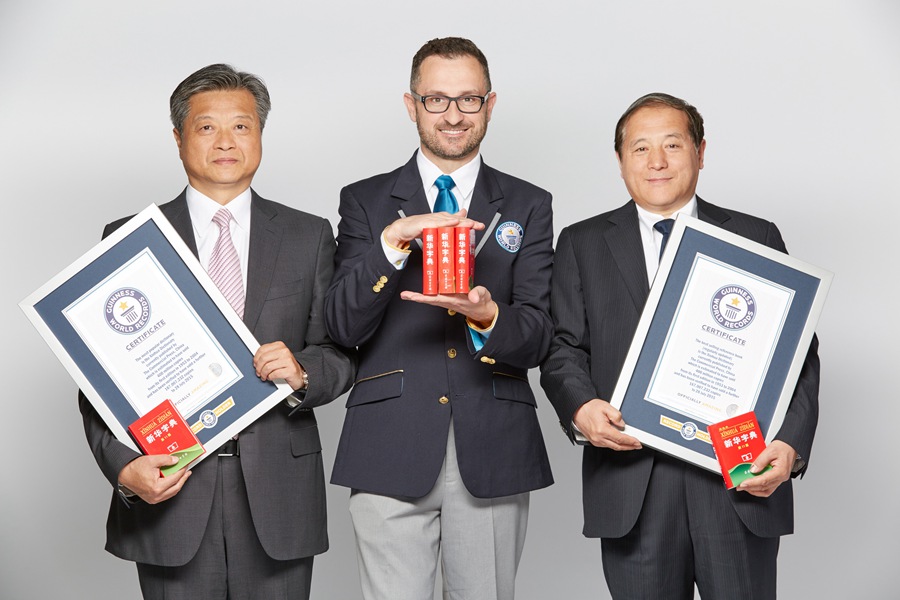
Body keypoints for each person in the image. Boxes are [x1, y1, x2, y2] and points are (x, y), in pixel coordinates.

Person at [78, 63, 355, 600]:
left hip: (278, 492)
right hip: (170, 489)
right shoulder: (131, 238)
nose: (226, 141)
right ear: (178, 137)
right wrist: (123, 467)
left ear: (260, 135)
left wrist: (302, 373)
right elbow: (97, 374)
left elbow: (339, 351)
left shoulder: (309, 235)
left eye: (242, 126)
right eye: (207, 127)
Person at [539, 92, 820, 599]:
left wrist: (789, 444)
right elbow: (563, 349)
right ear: (620, 160)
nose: (657, 162)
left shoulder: (756, 235)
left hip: (737, 475)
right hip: (632, 481)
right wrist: (580, 408)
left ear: (700, 152)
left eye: (672, 144)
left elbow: (798, 355)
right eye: (640, 148)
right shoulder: (581, 243)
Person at [325, 37, 554, 600]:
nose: (453, 115)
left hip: (493, 441)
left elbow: (540, 336)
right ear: (412, 105)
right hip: (389, 440)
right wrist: (391, 245)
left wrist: (490, 316)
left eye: (468, 99)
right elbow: (342, 326)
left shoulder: (528, 203)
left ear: (490, 104)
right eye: (436, 100)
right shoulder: (365, 201)